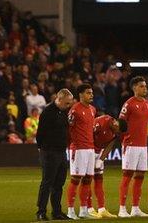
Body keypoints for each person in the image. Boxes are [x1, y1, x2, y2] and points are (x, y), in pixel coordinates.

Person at [35, 88, 74, 221]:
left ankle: (57, 212)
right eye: (67, 103)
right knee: (47, 182)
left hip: (61, 152)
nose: (69, 106)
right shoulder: (48, 112)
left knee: (59, 183)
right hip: (49, 152)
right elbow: (40, 133)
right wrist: (42, 149)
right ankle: (41, 211)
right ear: (60, 99)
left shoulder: (63, 112)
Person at [117, 76, 148, 217]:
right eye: (142, 86)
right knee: (127, 176)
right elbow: (120, 123)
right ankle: (122, 209)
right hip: (131, 145)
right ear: (135, 88)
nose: (145, 88)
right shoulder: (129, 104)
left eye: (145, 86)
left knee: (140, 176)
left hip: (143, 145)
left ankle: (135, 208)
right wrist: (124, 140)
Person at [66, 84, 100, 219]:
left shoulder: (93, 109)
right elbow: (68, 129)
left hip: (90, 148)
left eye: (92, 93)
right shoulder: (74, 110)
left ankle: (84, 210)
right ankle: (70, 210)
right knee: (75, 179)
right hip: (79, 149)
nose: (91, 95)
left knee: (87, 179)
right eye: (88, 93)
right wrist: (74, 145)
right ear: (80, 95)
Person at [86, 113, 120, 218]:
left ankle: (102, 209)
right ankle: (89, 208)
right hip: (89, 150)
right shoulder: (101, 122)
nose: (116, 133)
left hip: (99, 152)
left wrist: (101, 159)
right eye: (117, 130)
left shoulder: (116, 130)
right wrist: (91, 154)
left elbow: (110, 145)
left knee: (99, 179)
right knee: (87, 179)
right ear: (115, 124)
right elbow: (88, 136)